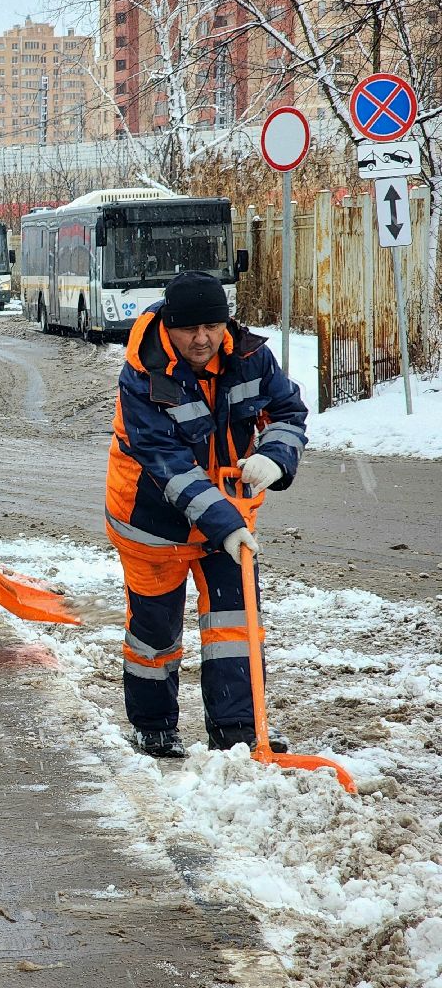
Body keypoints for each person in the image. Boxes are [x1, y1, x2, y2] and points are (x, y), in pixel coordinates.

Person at [106, 270, 308, 759]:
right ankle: (153, 726)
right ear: (168, 327)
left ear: (227, 322)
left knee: (235, 625)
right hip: (153, 522)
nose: (203, 339)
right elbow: (167, 464)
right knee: (155, 633)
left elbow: (288, 412)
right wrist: (227, 523)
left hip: (229, 522)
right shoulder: (143, 373)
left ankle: (236, 728)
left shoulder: (251, 356)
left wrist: (276, 457)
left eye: (213, 327)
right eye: (189, 329)